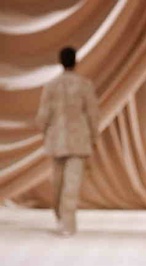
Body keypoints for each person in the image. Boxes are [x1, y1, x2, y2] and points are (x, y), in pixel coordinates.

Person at [36, 46, 99, 236]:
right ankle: (67, 224)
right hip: (78, 139)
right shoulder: (84, 85)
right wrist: (94, 136)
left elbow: (43, 115)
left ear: (60, 61)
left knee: (58, 183)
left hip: (57, 140)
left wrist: (44, 131)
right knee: (70, 184)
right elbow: (93, 114)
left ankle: (61, 219)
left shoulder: (51, 85)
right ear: (75, 61)